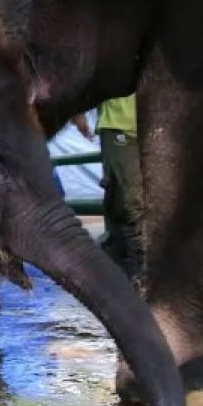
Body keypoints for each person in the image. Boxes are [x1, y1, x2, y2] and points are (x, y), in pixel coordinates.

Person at [72, 93, 143, 279]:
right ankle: (135, 273)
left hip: (156, 128)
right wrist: (78, 113)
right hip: (119, 126)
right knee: (129, 202)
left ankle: (132, 271)